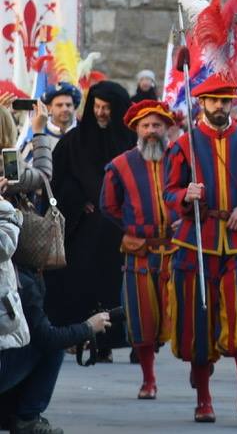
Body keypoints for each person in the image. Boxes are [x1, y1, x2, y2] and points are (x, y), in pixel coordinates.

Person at [164, 74, 237, 423]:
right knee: (199, 322)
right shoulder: (183, 146)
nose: (220, 106)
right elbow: (168, 194)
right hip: (197, 242)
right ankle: (204, 400)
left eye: (226, 101)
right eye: (214, 101)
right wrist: (185, 196)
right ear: (202, 104)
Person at [2, 209, 113, 434]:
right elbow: (47, 339)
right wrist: (88, 327)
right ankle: (27, 416)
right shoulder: (21, 281)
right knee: (52, 347)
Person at [99, 100, 179, 400]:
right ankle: (148, 379)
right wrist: (134, 225)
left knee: (189, 313)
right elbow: (108, 204)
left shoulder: (183, 159)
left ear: (166, 127)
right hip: (140, 252)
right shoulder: (120, 165)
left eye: (157, 125)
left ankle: (200, 366)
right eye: (145, 126)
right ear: (136, 130)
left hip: (178, 250)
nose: (151, 131)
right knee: (142, 317)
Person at [45, 80, 132, 355]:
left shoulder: (131, 141)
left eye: (107, 108)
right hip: (83, 231)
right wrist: (77, 201)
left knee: (118, 287)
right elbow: (56, 186)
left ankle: (120, 338)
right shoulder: (74, 142)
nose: (101, 113)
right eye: (97, 106)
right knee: (81, 284)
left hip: (120, 230)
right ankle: (83, 335)